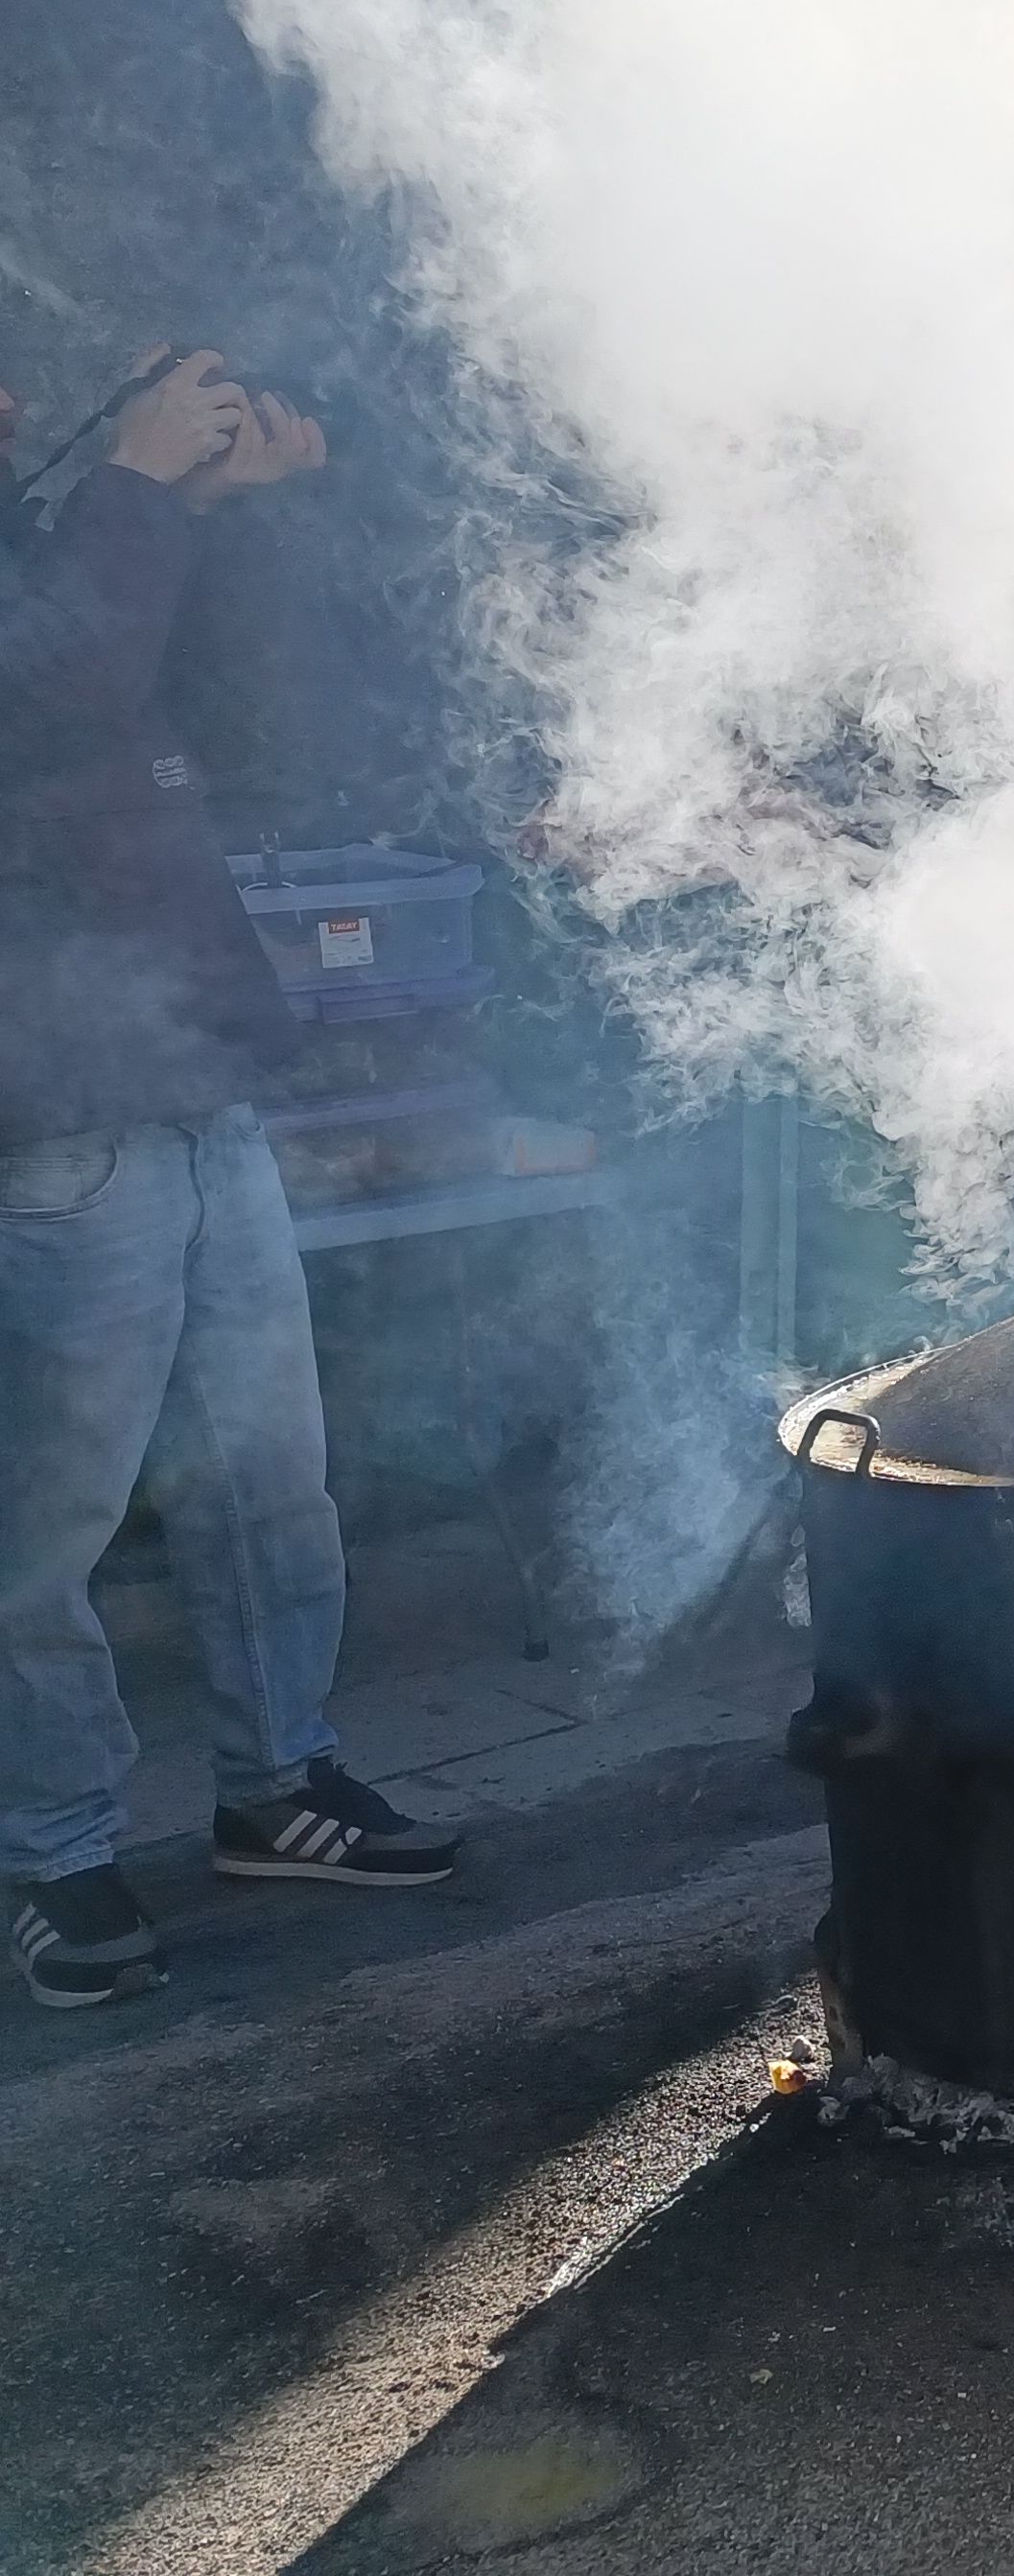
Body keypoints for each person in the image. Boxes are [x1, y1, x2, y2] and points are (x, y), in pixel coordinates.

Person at [5, 350, 460, 2013]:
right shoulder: (69, 549)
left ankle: (279, 1782)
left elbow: (242, 724)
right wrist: (135, 489)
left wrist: (215, 510)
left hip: (198, 1091)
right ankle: (52, 1851)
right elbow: (41, 697)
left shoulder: (69, 540)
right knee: (37, 1530)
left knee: (269, 1480)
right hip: (50, 1122)